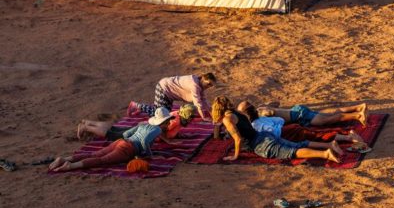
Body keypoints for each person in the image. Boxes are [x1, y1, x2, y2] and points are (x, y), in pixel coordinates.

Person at [212, 97, 365, 164]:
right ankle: (333, 143)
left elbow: (237, 138)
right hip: (287, 121)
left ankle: (329, 150)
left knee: (294, 149)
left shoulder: (250, 121)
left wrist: (235, 156)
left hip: (266, 140)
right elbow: (277, 118)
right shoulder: (247, 114)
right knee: (326, 119)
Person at [50, 108, 175, 172]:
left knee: (95, 154)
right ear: (164, 122)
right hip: (128, 149)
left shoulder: (143, 125)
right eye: (168, 121)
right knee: (102, 160)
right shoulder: (158, 130)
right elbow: (145, 141)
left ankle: (64, 159)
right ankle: (71, 166)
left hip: (121, 142)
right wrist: (148, 154)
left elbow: (126, 134)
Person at [77, 104, 195, 142]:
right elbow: (162, 132)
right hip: (139, 131)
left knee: (114, 129)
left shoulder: (175, 115)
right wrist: (169, 142)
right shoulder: (174, 121)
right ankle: (86, 127)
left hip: (140, 127)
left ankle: (88, 123)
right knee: (112, 134)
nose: (191, 120)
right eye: (190, 117)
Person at [129, 72, 216, 121]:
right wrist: (204, 117)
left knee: (166, 115)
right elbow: (198, 103)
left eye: (211, 85)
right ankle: (135, 105)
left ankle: (140, 108)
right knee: (159, 114)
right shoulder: (194, 85)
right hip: (163, 89)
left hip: (169, 93)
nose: (209, 86)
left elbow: (204, 100)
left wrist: (212, 113)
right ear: (203, 79)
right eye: (209, 84)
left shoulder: (199, 84)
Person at [256, 101, 369, 129]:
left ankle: (357, 115)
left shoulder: (261, 114)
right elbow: (276, 103)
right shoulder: (261, 106)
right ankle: (358, 107)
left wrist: (264, 116)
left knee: (327, 120)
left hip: (300, 115)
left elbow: (270, 113)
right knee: (329, 115)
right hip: (298, 110)